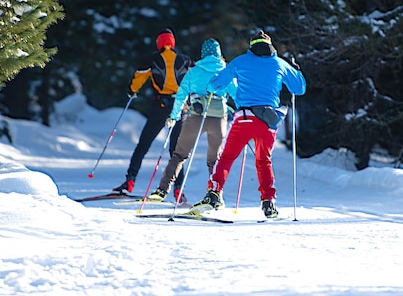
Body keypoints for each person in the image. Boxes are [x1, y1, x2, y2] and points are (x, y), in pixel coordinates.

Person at [193, 30, 306, 218]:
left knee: (227, 157)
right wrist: (296, 70)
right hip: (267, 122)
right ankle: (268, 202)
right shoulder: (279, 64)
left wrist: (211, 86)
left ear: (251, 46)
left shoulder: (241, 61)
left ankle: (214, 194)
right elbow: (299, 88)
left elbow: (215, 85)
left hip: (244, 118)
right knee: (263, 161)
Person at [147, 38, 237, 203]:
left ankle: (162, 190)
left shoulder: (194, 71)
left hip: (195, 116)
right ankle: (215, 196)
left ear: (203, 54)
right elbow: (236, 94)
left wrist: (174, 116)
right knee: (214, 160)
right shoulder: (226, 71)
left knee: (179, 155)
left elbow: (181, 95)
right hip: (218, 119)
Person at [113, 28, 194, 200]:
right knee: (176, 151)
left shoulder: (152, 59)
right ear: (172, 43)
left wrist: (131, 91)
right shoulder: (185, 60)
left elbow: (139, 78)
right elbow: (193, 79)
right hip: (180, 108)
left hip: (161, 106)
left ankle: (130, 181)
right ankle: (178, 189)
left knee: (143, 145)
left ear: (159, 43)